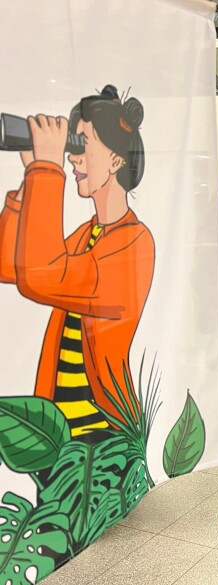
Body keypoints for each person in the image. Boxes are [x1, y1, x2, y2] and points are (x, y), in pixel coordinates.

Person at [0, 85, 154, 438]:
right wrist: (31, 179)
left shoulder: (133, 242)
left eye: (81, 144)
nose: (72, 157)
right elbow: (11, 266)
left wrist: (46, 169)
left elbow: (41, 277)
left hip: (102, 433)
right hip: (62, 429)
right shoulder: (88, 235)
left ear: (116, 159)